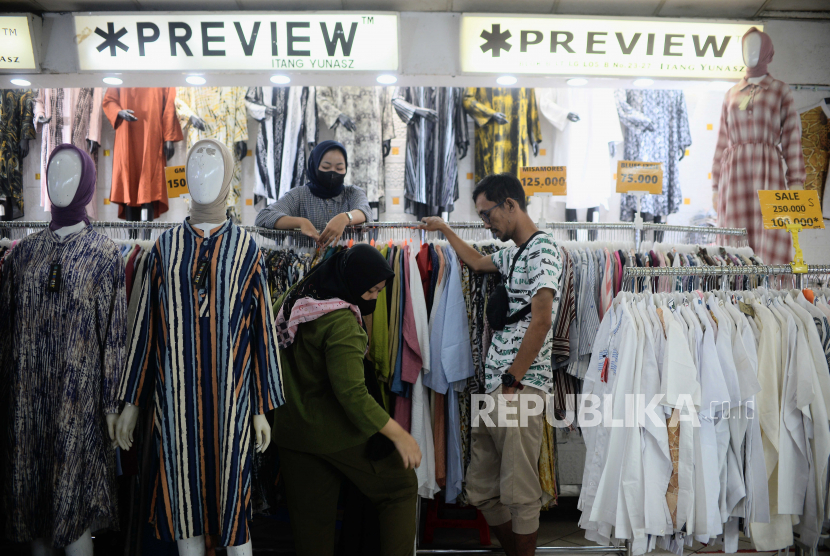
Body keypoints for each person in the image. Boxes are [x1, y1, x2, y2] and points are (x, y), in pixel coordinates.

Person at [419, 173, 563, 556]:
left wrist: (514, 377)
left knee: (520, 491)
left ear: (510, 205)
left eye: (487, 214)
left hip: (519, 385)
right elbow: (479, 262)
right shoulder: (514, 251)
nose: (486, 222)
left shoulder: (543, 250)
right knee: (482, 488)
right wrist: (445, 229)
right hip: (497, 386)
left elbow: (542, 319)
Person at [271, 244, 421, 556]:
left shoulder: (292, 301)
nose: (375, 298)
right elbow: (352, 395)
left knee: (312, 528)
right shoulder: (340, 323)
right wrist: (399, 435)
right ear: (351, 282)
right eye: (371, 291)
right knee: (400, 488)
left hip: (290, 432)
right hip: (335, 431)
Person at [255, 140, 372, 247]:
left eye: (339, 168)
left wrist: (346, 217)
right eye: (326, 167)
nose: (333, 173)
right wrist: (300, 223)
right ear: (314, 166)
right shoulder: (299, 195)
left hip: (348, 266)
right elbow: (264, 217)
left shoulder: (352, 193)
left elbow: (365, 212)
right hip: (309, 267)